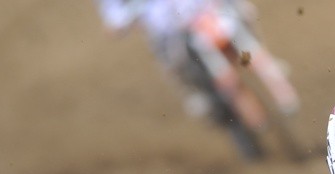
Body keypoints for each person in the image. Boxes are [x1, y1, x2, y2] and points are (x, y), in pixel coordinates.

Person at [94, 0, 282, 160]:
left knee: (244, 16)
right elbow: (114, 16)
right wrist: (122, 20)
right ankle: (213, 107)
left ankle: (270, 74)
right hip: (170, 32)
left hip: (208, 9)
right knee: (185, 73)